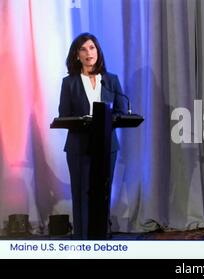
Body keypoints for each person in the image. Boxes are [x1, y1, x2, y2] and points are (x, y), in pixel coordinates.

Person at [58, 33, 126, 239]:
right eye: (84, 49)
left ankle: (101, 238)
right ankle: (81, 240)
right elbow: (64, 114)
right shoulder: (69, 83)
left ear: (98, 51)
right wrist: (84, 120)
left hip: (106, 146)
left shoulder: (110, 80)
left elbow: (121, 112)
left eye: (92, 48)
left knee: (102, 194)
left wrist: (107, 119)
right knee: (81, 194)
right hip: (79, 146)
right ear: (77, 55)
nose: (89, 53)